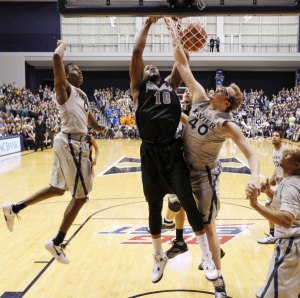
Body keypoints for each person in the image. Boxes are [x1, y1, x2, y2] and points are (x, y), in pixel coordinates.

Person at [165, 17, 260, 297]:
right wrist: (173, 29)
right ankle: (178, 233)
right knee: (175, 204)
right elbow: (182, 64)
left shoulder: (227, 124)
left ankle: (219, 284)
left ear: (227, 102)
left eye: (224, 90)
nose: (218, 87)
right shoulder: (199, 97)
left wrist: (254, 177)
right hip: (183, 168)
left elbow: (251, 151)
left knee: (208, 226)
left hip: (204, 177)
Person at [2, 40, 111, 264]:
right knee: (81, 197)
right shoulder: (64, 90)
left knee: (57, 189)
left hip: (71, 142)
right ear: (66, 76)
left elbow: (93, 124)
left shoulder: (83, 96)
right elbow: (55, 59)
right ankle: (57, 242)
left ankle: (14, 208)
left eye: (80, 70)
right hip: (71, 144)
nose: (79, 72)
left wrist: (104, 127)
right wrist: (63, 45)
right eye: (74, 70)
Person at [130, 17, 218, 284]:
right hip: (150, 152)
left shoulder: (170, 84)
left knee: (188, 203)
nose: (151, 67)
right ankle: (158, 257)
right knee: (154, 206)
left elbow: (183, 58)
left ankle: (207, 256)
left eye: (153, 68)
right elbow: (137, 53)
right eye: (147, 69)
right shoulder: (138, 87)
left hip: (172, 149)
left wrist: (177, 28)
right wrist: (147, 24)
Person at [247, 149, 300, 298]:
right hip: (295, 245)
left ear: (296, 165)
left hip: (291, 247)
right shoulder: (291, 182)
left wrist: (256, 205)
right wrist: (270, 192)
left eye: (288, 155)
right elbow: (285, 203)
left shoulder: (291, 186)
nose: (284, 154)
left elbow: (287, 219)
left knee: (269, 295)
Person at [257, 131, 287, 244]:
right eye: (273, 135)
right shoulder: (275, 151)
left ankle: (274, 234)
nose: (274, 137)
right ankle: (276, 233)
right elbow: (277, 168)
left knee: (270, 204)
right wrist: (272, 178)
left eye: (277, 136)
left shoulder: (285, 150)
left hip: (287, 183)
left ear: (281, 139)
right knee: (271, 205)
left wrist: (284, 178)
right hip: (280, 183)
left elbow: (292, 167)